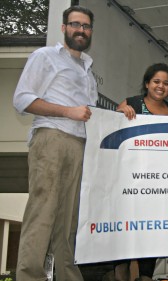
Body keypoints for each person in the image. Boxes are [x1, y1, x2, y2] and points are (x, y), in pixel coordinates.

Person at [12, 6, 97, 281]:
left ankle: (68, 276)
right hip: (51, 139)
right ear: (64, 28)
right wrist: (68, 111)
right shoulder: (45, 56)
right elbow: (22, 99)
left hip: (79, 145)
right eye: (75, 24)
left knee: (69, 220)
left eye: (85, 26)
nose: (80, 30)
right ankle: (29, 276)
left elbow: (91, 112)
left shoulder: (88, 69)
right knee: (43, 212)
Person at [115, 63, 168, 281]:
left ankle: (145, 277)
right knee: (125, 236)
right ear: (147, 83)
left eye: (166, 83)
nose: (161, 86)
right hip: (130, 183)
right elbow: (109, 130)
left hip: (158, 187)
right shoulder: (132, 103)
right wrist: (120, 113)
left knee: (149, 236)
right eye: (156, 81)